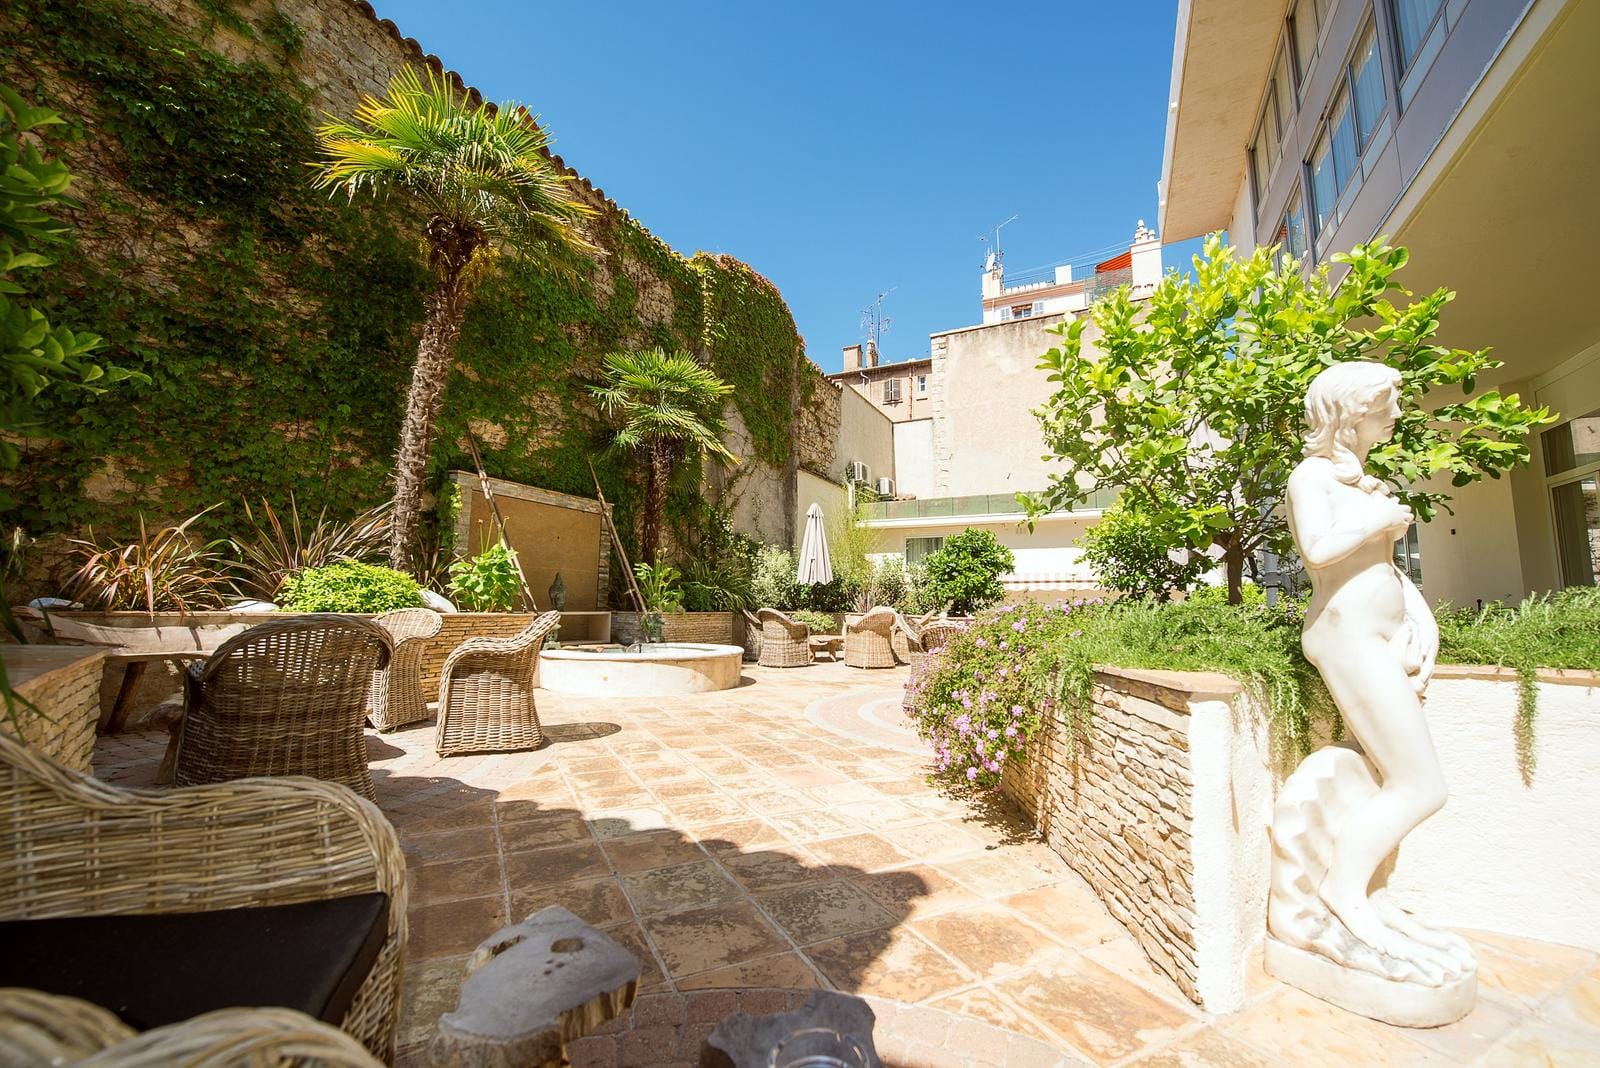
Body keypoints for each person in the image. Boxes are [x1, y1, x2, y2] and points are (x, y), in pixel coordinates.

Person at [1285, 361, 1471, 981]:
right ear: (1351, 410)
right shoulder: (1311, 476)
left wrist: (1422, 623)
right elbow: (1317, 550)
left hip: (1380, 637)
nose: (1396, 413)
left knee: (1389, 777)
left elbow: (1387, 571)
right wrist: (1381, 521)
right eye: (1387, 403)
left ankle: (1369, 893)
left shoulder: (1366, 481)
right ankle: (1341, 894)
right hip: (1346, 638)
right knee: (1421, 785)